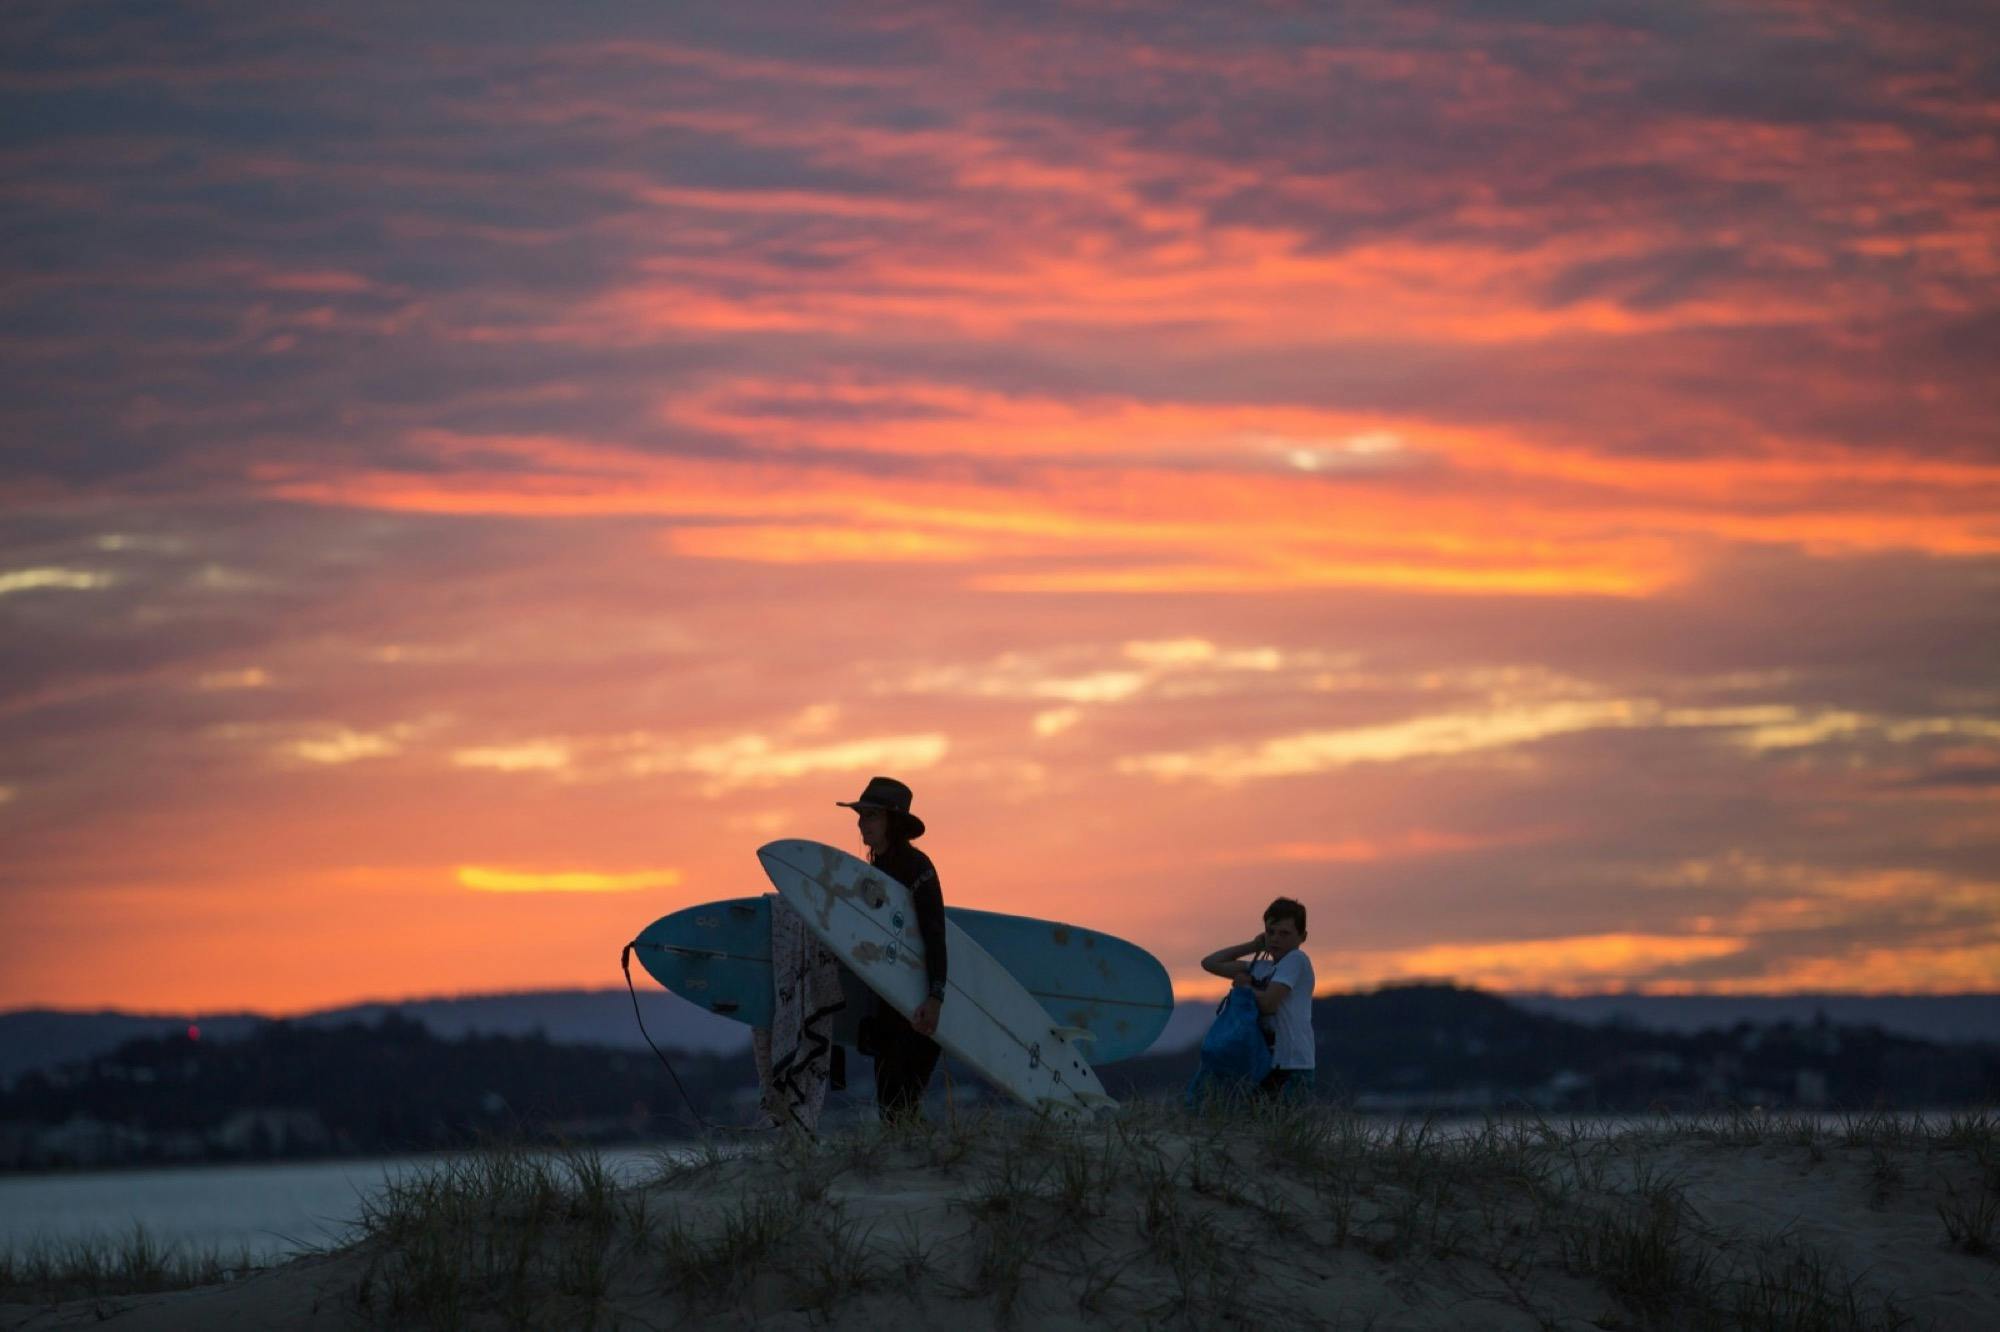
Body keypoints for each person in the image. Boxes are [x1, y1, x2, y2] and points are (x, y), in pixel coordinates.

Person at [838, 775, 947, 1120]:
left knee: (902, 1101)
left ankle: (920, 1152)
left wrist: (935, 998)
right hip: (885, 1001)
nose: (861, 823)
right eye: (860, 815)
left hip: (917, 1001)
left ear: (893, 821)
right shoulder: (873, 871)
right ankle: (912, 1149)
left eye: (871, 815)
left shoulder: (918, 867)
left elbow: (935, 934)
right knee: (890, 1106)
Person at [1199, 897, 1315, 1099]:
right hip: (1267, 1062)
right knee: (1258, 1116)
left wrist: (1245, 987)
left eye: (1284, 933)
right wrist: (1254, 945)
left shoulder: (1296, 959)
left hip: (1292, 1065)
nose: (1275, 939)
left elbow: (1269, 1004)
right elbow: (1210, 963)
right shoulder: (1262, 967)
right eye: (1270, 932)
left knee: (1278, 1118)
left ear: (1302, 937)